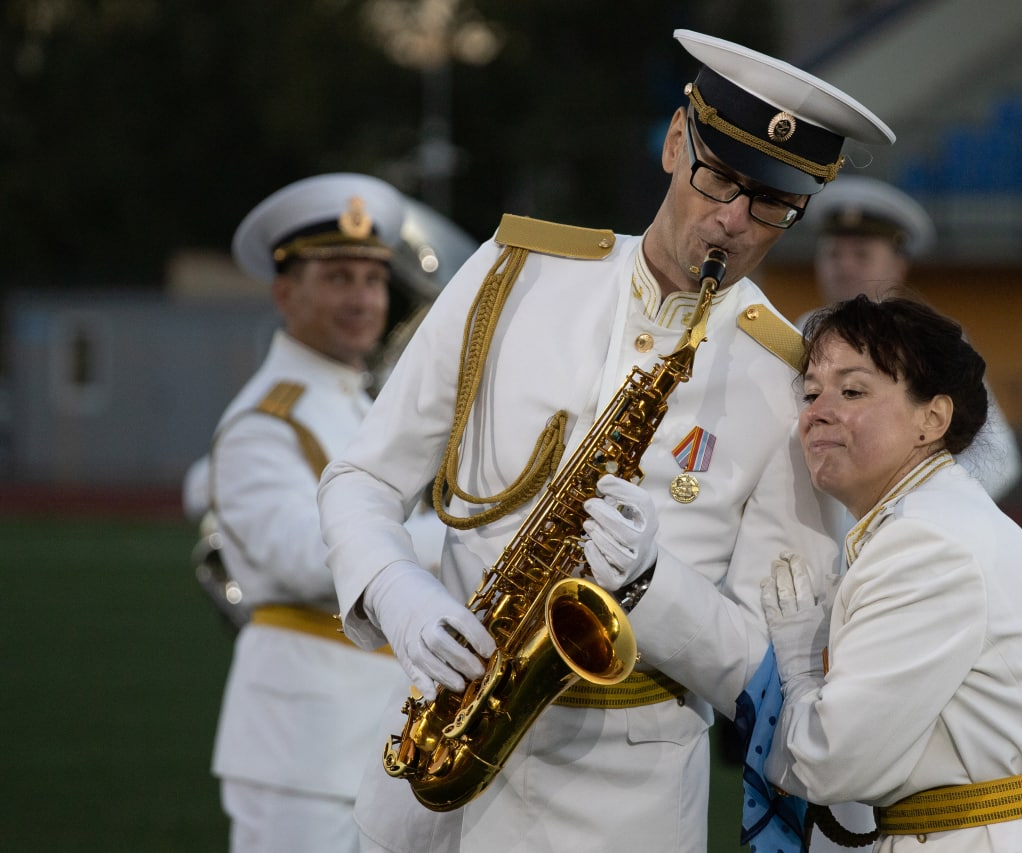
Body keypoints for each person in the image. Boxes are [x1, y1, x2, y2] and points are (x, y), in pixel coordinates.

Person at [315, 29, 894, 853]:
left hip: (625, 812)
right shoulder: (510, 275)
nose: (732, 220)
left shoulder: (785, 380)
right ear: (671, 142)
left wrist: (658, 589)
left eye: (769, 202)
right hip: (431, 793)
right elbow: (361, 479)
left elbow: (781, 672)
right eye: (719, 175)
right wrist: (396, 594)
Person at [759, 294, 1022, 850]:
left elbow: (835, 767)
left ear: (932, 419)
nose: (817, 411)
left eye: (852, 391)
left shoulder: (924, 545)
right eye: (810, 393)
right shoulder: (934, 520)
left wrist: (803, 671)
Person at [202, 172, 449, 853]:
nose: (365, 299)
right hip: (301, 750)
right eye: (338, 278)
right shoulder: (262, 419)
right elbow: (304, 556)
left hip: (374, 729)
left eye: (372, 278)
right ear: (286, 292)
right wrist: (456, 538)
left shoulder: (354, 402)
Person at [801, 175, 1022, 502]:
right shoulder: (795, 333)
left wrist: (908, 512)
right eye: (834, 254)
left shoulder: (927, 344)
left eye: (862, 255)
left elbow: (999, 459)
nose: (845, 266)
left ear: (898, 266)